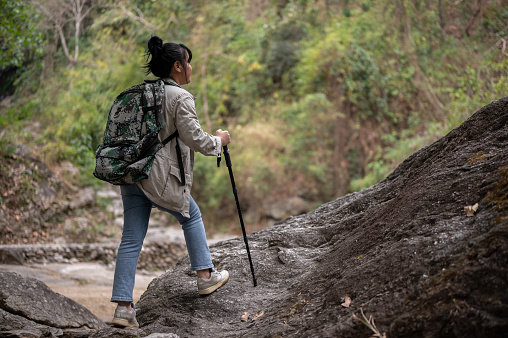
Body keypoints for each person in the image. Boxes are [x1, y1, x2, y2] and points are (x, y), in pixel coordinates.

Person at [110, 35, 231, 329]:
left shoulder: (140, 92)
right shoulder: (179, 97)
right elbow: (195, 138)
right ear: (177, 66)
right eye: (188, 63)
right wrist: (220, 141)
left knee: (130, 239)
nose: (191, 68)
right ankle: (205, 277)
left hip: (132, 173)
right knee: (192, 216)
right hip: (158, 176)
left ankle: (123, 309)